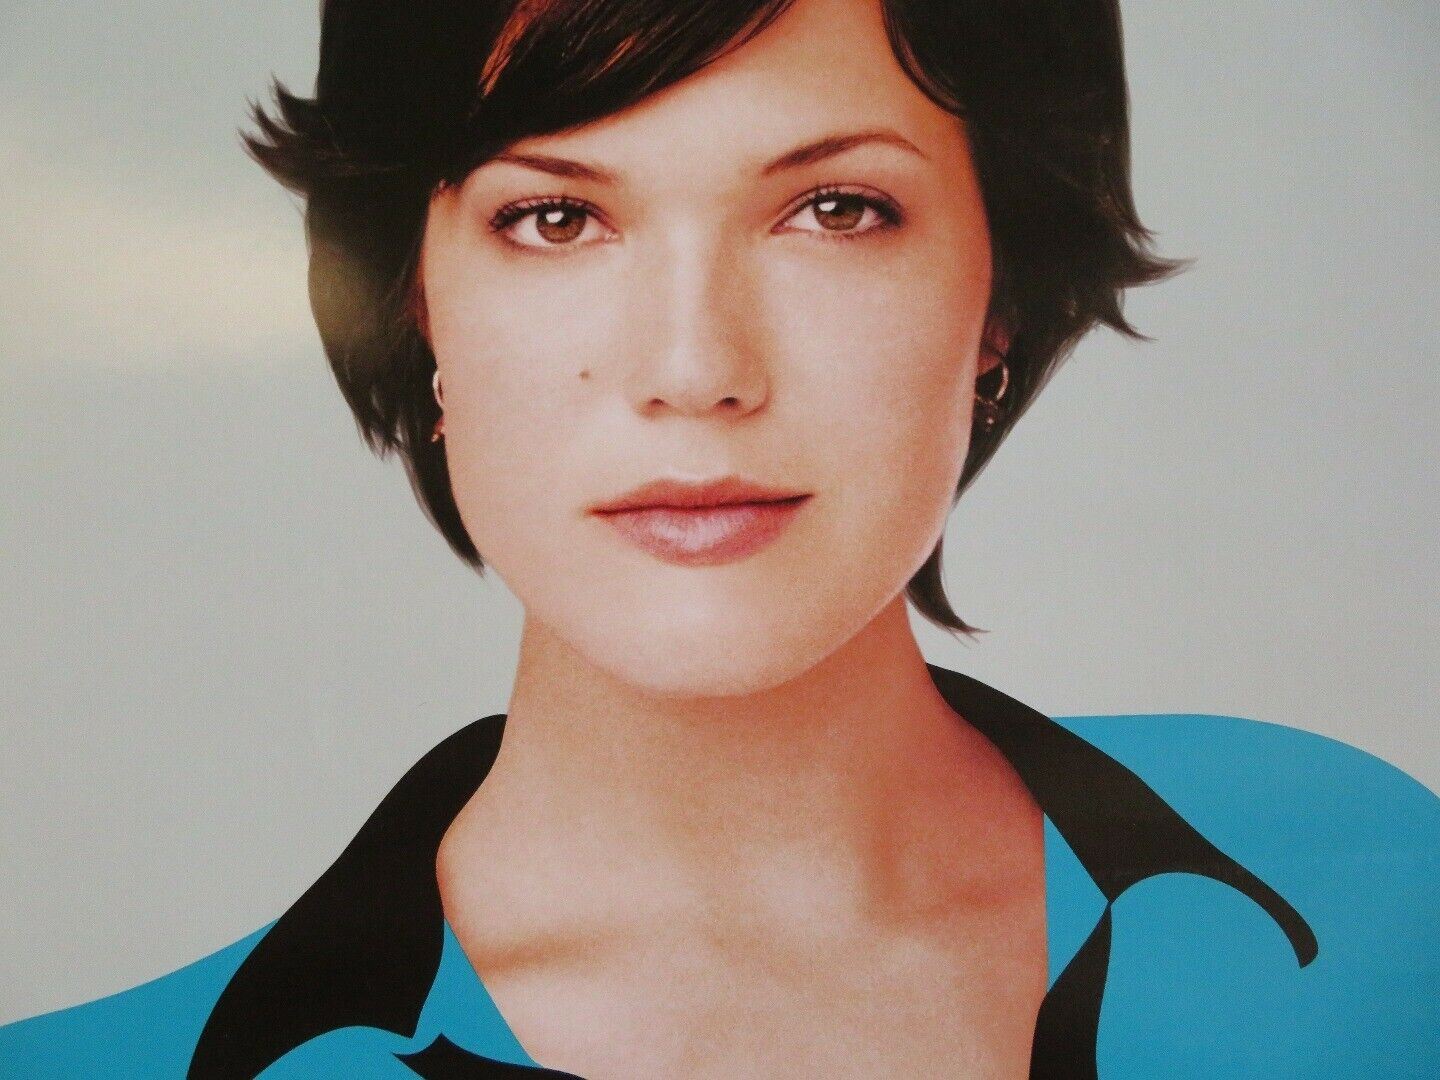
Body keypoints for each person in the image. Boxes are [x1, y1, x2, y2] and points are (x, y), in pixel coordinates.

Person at [2, 0, 1435, 1076]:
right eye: (554, 218)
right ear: (412, 301)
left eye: (834, 209)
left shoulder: (1361, 880)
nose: (695, 371)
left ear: (1001, 287)